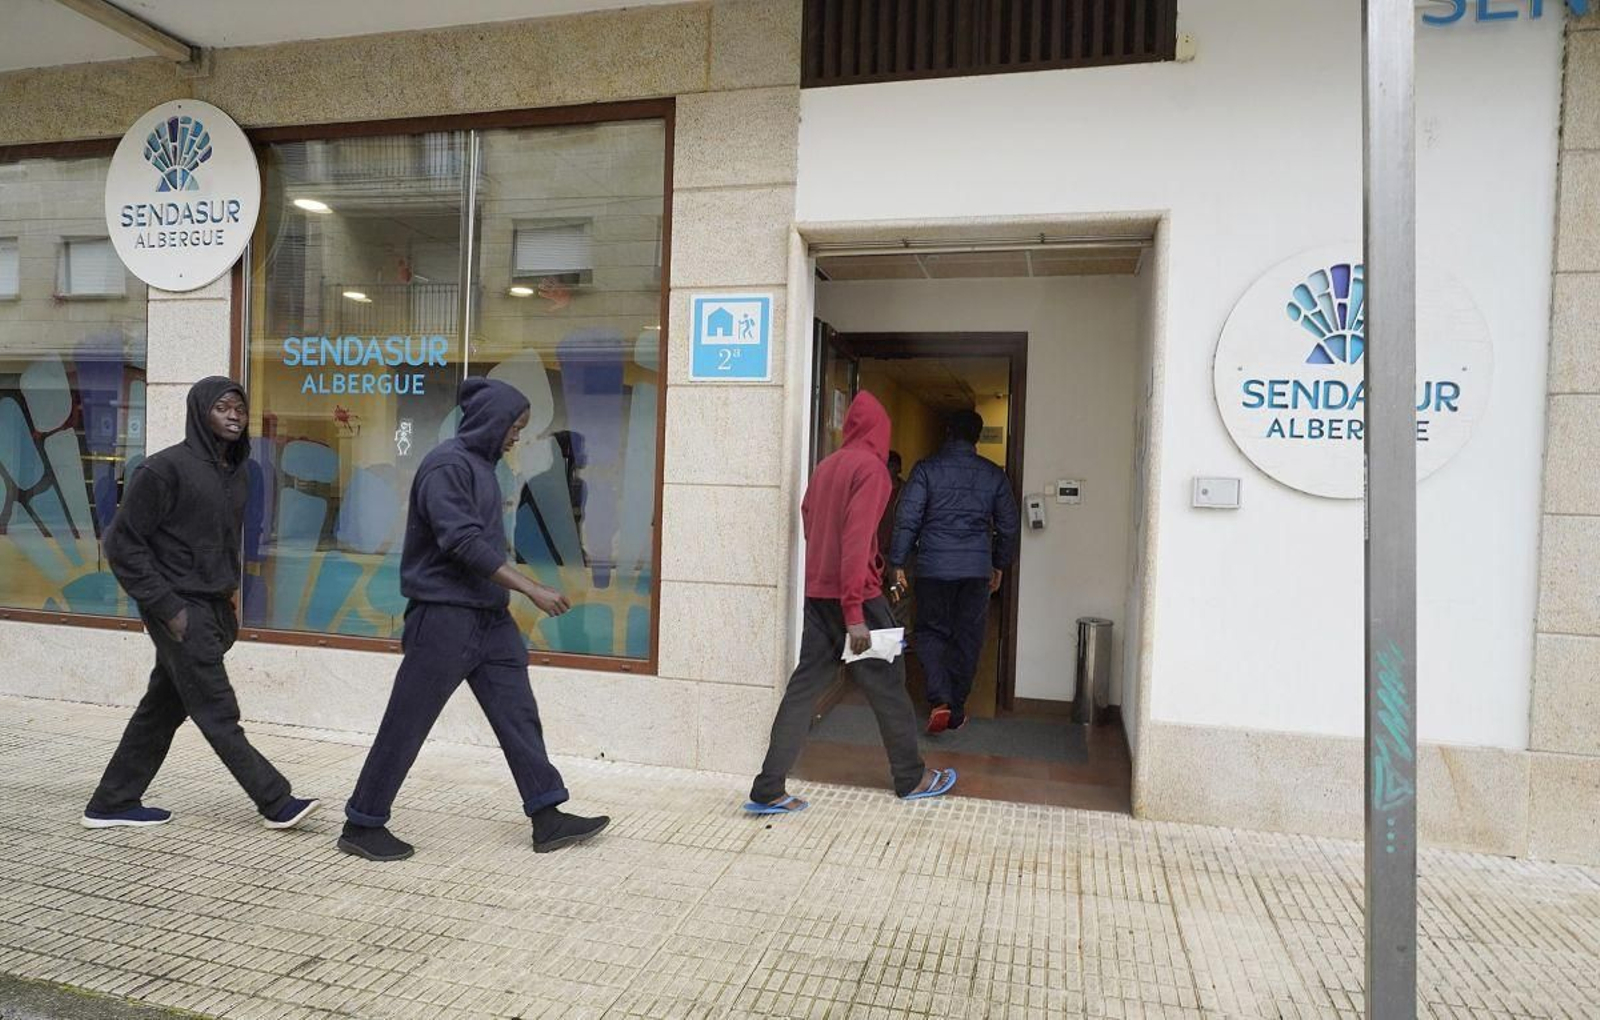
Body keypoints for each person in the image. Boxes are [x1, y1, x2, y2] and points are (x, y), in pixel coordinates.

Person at [338, 377, 608, 862]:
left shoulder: (484, 469)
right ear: (489, 419)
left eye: (521, 428)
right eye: (513, 426)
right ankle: (362, 822)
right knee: (408, 721)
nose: (516, 436)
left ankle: (547, 816)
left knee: (518, 714)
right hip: (444, 617)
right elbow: (460, 542)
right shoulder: (447, 465)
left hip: (489, 618)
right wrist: (532, 588)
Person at [84, 377, 318, 831]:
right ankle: (275, 800)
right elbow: (122, 545)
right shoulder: (162, 469)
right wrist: (169, 607)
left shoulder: (239, 472)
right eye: (222, 408)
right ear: (199, 413)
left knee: (162, 707)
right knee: (217, 710)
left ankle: (112, 801)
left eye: (240, 408)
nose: (234, 415)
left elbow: (223, 542)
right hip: (177, 608)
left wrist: (226, 599)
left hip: (211, 607)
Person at [745, 392, 957, 814]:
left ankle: (768, 787)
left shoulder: (825, 467)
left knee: (803, 689)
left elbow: (809, 522)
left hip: (819, 597)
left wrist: (829, 579)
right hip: (858, 600)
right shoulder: (873, 471)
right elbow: (858, 543)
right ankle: (911, 777)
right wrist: (855, 615)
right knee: (891, 688)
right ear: (880, 431)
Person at [889, 409, 1020, 734]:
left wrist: (897, 562)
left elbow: (907, 519)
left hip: (933, 567)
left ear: (948, 432)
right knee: (968, 637)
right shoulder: (993, 475)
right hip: (976, 570)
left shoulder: (925, 470)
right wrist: (999, 563)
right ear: (976, 436)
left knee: (931, 631)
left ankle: (940, 700)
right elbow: (1009, 525)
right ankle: (957, 708)